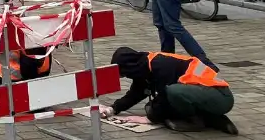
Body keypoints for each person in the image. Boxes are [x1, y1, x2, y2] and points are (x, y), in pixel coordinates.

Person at [102, 46, 238, 134]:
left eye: (125, 74)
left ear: (130, 68)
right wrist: (113, 109)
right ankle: (216, 120)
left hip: (220, 96)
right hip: (209, 94)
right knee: (154, 107)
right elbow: (136, 93)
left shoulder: (161, 66)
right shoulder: (147, 64)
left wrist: (149, 119)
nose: (127, 77)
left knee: (171, 93)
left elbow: (165, 95)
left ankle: (195, 122)